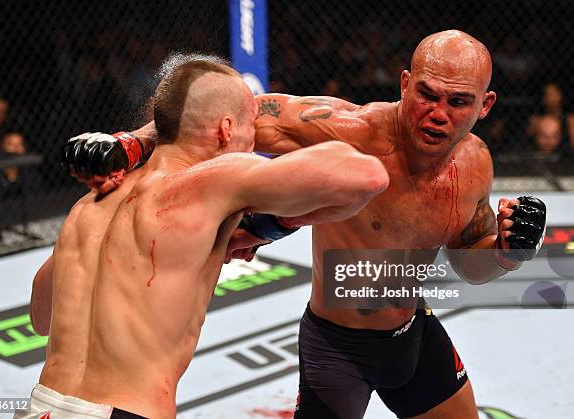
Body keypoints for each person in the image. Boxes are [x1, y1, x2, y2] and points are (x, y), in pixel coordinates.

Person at [62, 31, 547, 419]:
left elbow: (472, 265)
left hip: (413, 337)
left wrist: (508, 250)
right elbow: (222, 112)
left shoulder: (475, 165)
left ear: (485, 107)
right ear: (404, 85)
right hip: (337, 349)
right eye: (426, 94)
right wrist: (130, 141)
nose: (438, 114)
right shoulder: (347, 129)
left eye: (458, 102)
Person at [19, 54, 388, 419]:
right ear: (227, 129)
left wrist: (138, 140)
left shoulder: (90, 204)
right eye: (251, 127)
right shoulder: (215, 180)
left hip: (43, 406)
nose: (254, 138)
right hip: (128, 411)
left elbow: (41, 319)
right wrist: (265, 225)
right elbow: (366, 175)